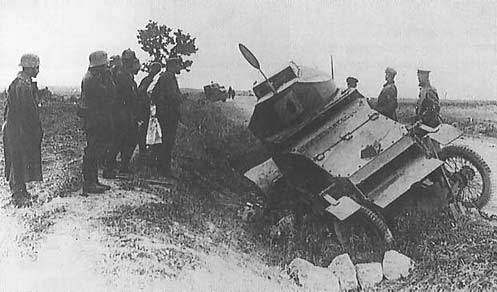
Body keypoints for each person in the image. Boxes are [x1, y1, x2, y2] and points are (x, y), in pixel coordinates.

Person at [3, 54, 43, 207]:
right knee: (17, 160)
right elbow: (28, 112)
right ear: (30, 67)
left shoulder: (22, 83)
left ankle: (21, 190)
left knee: (20, 159)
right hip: (18, 129)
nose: (38, 70)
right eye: (37, 67)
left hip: (17, 128)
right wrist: (34, 128)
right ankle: (17, 194)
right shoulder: (22, 85)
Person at [79, 50, 114, 194]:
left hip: (95, 118)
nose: (107, 68)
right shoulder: (92, 79)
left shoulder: (93, 77)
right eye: (105, 65)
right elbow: (107, 94)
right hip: (94, 119)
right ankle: (89, 182)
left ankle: (93, 180)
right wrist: (108, 79)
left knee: (95, 148)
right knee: (92, 150)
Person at [105, 49, 140, 176]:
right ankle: (110, 168)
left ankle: (123, 166)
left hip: (125, 112)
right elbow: (126, 94)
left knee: (128, 139)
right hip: (121, 112)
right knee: (118, 140)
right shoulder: (121, 75)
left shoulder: (125, 74)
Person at [151, 56, 184, 177]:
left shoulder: (164, 76)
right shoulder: (169, 77)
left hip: (164, 113)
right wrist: (180, 98)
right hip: (169, 114)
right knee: (168, 142)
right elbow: (172, 96)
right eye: (178, 65)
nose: (180, 67)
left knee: (164, 141)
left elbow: (155, 95)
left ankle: (161, 167)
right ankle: (164, 169)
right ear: (173, 66)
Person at [137, 62, 162, 157]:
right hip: (146, 109)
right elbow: (141, 92)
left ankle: (148, 153)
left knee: (152, 132)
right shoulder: (148, 80)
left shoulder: (155, 80)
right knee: (144, 131)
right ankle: (143, 153)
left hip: (152, 109)